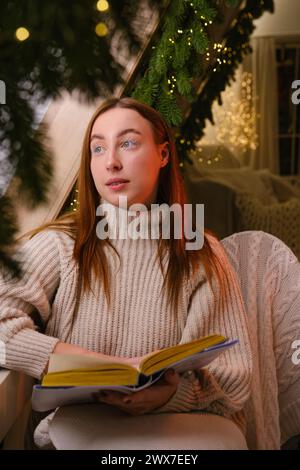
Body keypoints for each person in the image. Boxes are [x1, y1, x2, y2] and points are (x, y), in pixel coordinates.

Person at [0, 97, 252, 450]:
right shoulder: (60, 244)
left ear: (163, 155)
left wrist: (167, 396)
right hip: (76, 432)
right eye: (97, 149)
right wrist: (90, 363)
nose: (111, 163)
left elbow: (234, 379)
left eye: (128, 143)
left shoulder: (202, 253)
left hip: (176, 433)